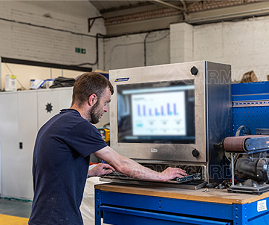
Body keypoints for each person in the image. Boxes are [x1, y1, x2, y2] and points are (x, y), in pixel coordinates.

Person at [28, 72, 187, 225]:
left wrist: (90, 172)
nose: (105, 109)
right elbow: (121, 164)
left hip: (43, 218)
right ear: (92, 99)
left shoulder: (55, 122)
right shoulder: (79, 126)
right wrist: (161, 175)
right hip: (58, 220)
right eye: (105, 103)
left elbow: (54, 171)